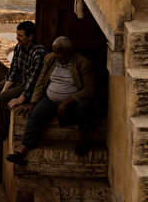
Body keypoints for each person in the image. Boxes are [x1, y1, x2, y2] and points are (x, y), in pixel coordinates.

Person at [6, 36, 101, 164]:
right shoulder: (50, 59)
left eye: (60, 52)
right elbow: (40, 81)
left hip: (74, 101)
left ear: (69, 51)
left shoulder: (83, 63)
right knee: (35, 116)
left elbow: (90, 90)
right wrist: (33, 103)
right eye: (55, 51)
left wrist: (67, 102)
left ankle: (83, 140)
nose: (57, 55)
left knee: (85, 108)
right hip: (50, 99)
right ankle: (23, 151)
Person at [0, 21, 47, 141]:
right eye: (17, 34)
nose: (17, 38)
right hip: (19, 81)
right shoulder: (19, 48)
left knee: (4, 97)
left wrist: (21, 98)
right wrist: (4, 89)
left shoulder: (39, 53)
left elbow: (33, 81)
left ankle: (1, 133)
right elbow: (13, 72)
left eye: (20, 35)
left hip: (28, 85)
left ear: (30, 37)